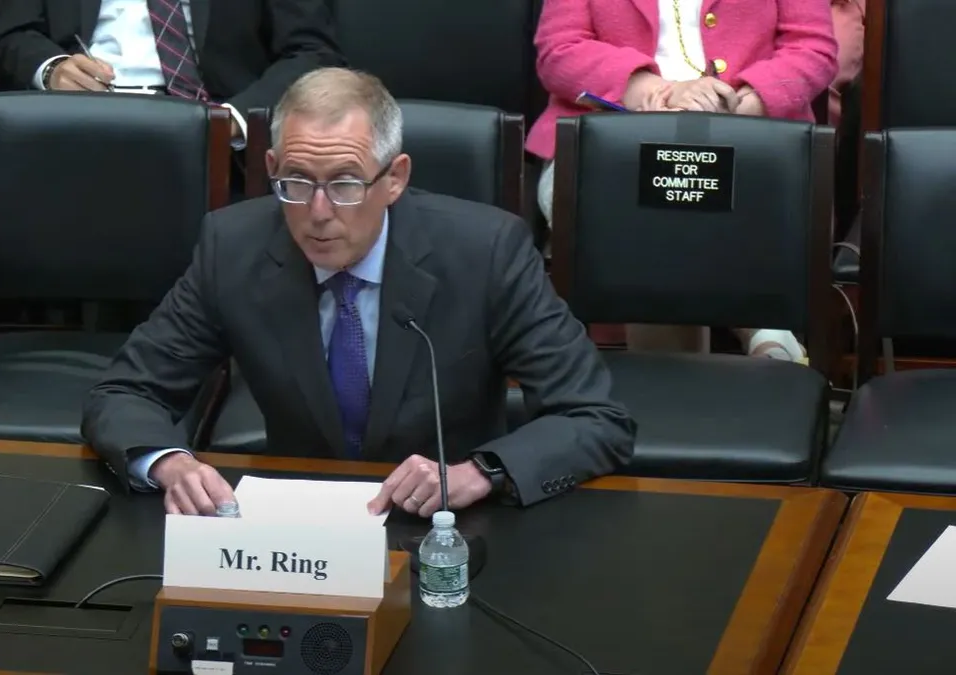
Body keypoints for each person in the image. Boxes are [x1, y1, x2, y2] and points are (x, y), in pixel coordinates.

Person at [83, 68, 636, 518]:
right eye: (296, 182)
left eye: (346, 184)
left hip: (449, 527)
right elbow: (128, 391)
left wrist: (480, 473)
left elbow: (594, 418)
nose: (318, 214)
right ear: (271, 167)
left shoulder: (488, 251)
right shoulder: (233, 246)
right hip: (298, 522)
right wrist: (169, 463)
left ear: (394, 178)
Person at [528, 0, 837, 362]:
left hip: (749, 131)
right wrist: (657, 91)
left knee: (705, 203)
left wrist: (740, 106)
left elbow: (813, 49)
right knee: (648, 214)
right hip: (611, 136)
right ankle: (758, 329)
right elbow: (559, 50)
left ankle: (678, 395)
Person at [0, 0, 345, 148]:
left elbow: (311, 52)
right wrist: (53, 69)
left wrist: (236, 119)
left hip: (216, 123)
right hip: (84, 113)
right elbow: (14, 33)